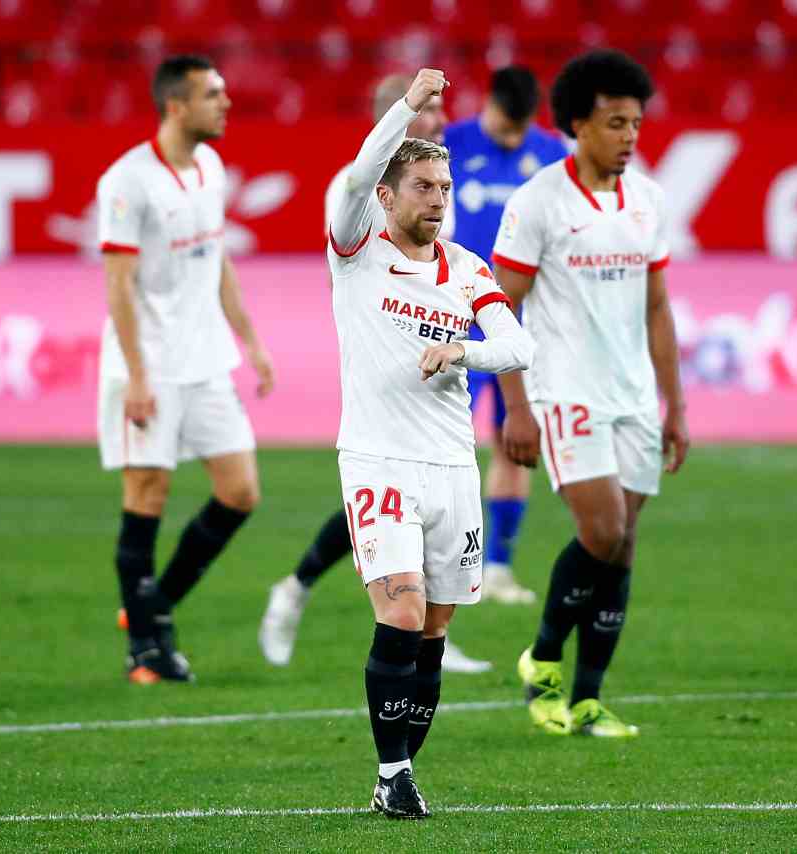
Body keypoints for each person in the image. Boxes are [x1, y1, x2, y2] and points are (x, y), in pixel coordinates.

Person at [328, 68, 535, 819]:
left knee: (437, 631)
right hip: (379, 460)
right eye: (424, 187)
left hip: (453, 468)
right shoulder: (355, 249)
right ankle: (392, 772)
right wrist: (408, 108)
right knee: (404, 613)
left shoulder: (468, 271)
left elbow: (517, 346)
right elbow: (356, 172)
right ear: (390, 196)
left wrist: (463, 353)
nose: (439, 200)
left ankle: (399, 771)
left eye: (444, 189)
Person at [258, 74, 491, 675]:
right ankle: (299, 588)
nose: (437, 123)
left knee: (407, 504)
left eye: (441, 114)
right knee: (386, 498)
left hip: (435, 360)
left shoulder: (436, 184)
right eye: (425, 113)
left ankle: (420, 627)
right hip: (384, 362)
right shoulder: (360, 183)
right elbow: (349, 267)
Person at [491, 50, 689, 737]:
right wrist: (515, 405)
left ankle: (587, 697)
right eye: (615, 123)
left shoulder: (649, 200)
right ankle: (542, 658)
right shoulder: (539, 200)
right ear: (578, 124)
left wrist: (675, 406)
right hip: (563, 390)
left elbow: (658, 307)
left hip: (633, 395)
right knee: (601, 530)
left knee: (624, 544)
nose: (630, 136)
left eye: (636, 122)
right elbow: (497, 305)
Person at [97, 55, 276, 685]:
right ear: (177, 106)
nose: (226, 103)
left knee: (240, 491)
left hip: (205, 362)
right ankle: (145, 649)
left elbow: (215, 259)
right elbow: (118, 286)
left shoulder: (210, 167)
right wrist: (138, 376)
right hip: (148, 365)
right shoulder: (128, 182)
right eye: (213, 94)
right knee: (148, 494)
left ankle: (152, 606)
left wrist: (249, 341)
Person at [444, 66, 569, 605]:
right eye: (505, 124)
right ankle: (442, 562)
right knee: (445, 443)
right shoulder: (448, 143)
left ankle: (497, 567)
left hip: (522, 322)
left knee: (515, 440)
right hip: (453, 316)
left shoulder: (551, 155)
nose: (515, 138)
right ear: (487, 102)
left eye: (523, 128)